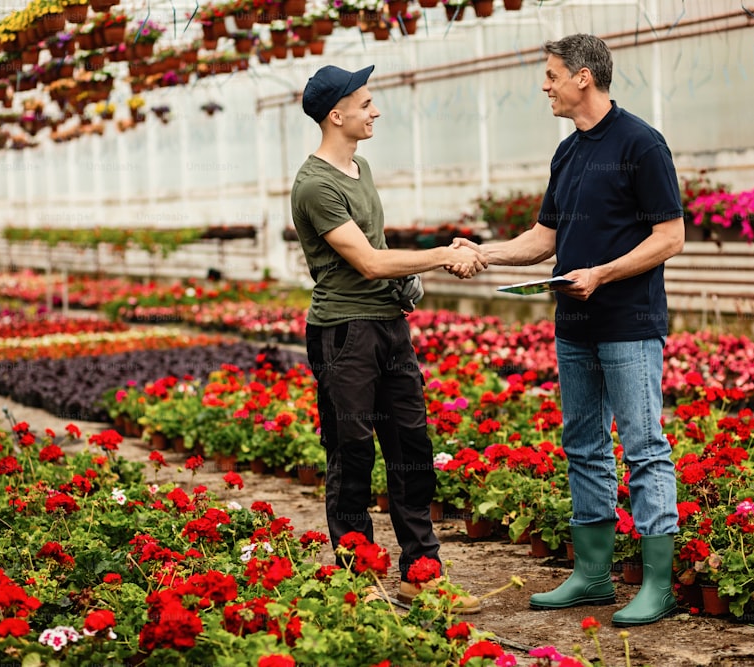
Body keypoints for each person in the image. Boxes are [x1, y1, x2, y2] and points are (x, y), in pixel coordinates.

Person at [454, 33, 685, 626]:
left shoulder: (641, 144)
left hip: (628, 324)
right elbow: (546, 240)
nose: (545, 85)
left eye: (552, 74)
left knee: (644, 448)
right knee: (582, 445)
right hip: (574, 324)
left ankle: (657, 584)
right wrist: (487, 255)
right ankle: (591, 576)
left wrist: (604, 274)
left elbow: (670, 237)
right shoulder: (569, 152)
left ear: (584, 76)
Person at [290, 63, 487, 613]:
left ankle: (422, 574)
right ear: (338, 114)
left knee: (411, 451)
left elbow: (380, 254)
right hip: (344, 334)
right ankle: (358, 581)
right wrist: (445, 255)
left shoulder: (360, 167)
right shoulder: (314, 185)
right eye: (367, 104)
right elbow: (369, 260)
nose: (375, 111)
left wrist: (411, 280)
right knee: (351, 455)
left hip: (389, 329)